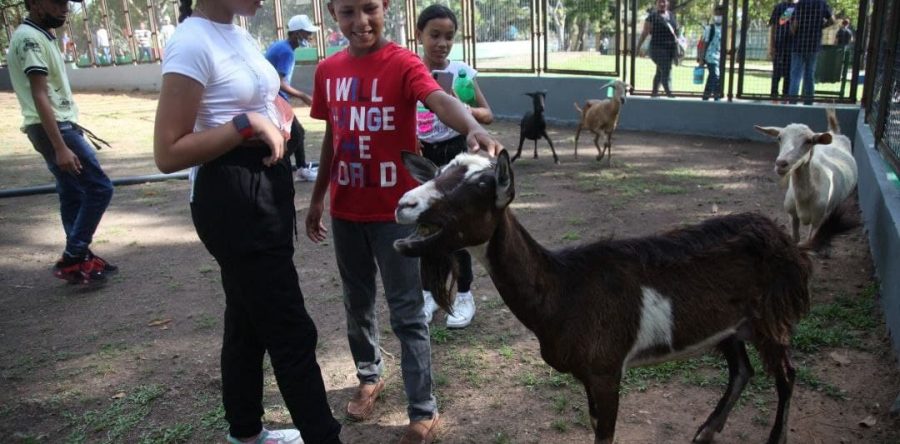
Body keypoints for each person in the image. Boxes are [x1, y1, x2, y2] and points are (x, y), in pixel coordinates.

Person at [305, 0, 500, 442]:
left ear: (386, 7)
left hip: (394, 215)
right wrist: (318, 197)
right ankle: (369, 375)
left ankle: (422, 408)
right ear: (333, 13)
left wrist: (472, 126)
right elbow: (334, 137)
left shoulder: (404, 63)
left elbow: (439, 99)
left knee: (407, 311)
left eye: (369, 8)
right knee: (357, 303)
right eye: (348, 12)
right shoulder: (328, 70)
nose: (361, 22)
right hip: (345, 211)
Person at [153, 0, 343, 443]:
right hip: (234, 199)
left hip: (265, 192)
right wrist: (245, 123)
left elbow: (257, 96)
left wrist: (275, 112)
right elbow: (168, 152)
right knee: (289, 326)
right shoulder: (191, 42)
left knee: (247, 320)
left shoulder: (236, 32)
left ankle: (245, 432)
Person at [8, 0, 116, 285]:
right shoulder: (30, 38)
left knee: (72, 192)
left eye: (66, 2)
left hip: (53, 126)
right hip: (54, 128)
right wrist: (60, 146)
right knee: (99, 187)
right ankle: (74, 254)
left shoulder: (40, 34)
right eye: (56, 2)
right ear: (33, 3)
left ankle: (79, 260)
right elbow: (40, 94)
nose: (64, 7)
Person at [414, 4, 493, 329]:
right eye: (434, 35)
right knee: (424, 224)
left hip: (456, 155)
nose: (442, 43)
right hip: (422, 156)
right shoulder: (410, 71)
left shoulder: (462, 72)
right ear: (420, 35)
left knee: (457, 226)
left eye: (448, 36)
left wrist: (464, 109)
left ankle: (463, 295)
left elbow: (487, 114)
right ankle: (430, 293)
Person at [265, 15, 318, 182]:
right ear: (296, 34)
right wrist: (302, 96)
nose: (310, 37)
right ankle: (276, 165)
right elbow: (278, 82)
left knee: (298, 132)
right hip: (275, 99)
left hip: (273, 98)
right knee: (296, 134)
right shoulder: (286, 52)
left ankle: (301, 168)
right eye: (307, 33)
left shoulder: (281, 46)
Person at [788, 0, 834, 105]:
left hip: (798, 45)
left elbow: (794, 26)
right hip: (813, 45)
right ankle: (808, 103)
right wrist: (821, 26)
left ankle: (792, 102)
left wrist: (791, 30)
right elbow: (832, 20)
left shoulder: (799, 4)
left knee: (795, 76)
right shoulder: (822, 4)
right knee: (809, 76)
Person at [637, 0, 679, 97]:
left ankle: (654, 93)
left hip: (669, 49)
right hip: (656, 48)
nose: (661, 4)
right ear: (656, 4)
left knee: (660, 72)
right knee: (666, 69)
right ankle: (669, 93)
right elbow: (644, 33)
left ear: (667, 3)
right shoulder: (652, 17)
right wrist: (638, 47)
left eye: (663, 2)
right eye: (659, 2)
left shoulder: (671, 15)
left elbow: (676, 30)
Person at [768, 0, 796, 101]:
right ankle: (776, 94)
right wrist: (772, 45)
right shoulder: (783, 7)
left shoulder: (797, 6)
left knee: (787, 72)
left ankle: (784, 95)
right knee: (778, 72)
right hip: (781, 44)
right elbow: (775, 25)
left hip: (791, 45)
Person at [698, 5, 724, 101]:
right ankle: (717, 97)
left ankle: (705, 97)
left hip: (719, 57)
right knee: (715, 76)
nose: (718, 16)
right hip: (710, 57)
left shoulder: (724, 28)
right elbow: (704, 44)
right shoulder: (709, 28)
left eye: (721, 14)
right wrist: (701, 59)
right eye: (717, 14)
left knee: (712, 77)